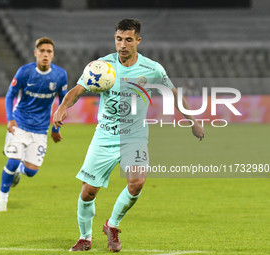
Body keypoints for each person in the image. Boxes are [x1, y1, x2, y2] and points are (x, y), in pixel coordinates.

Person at [53, 19, 204, 252]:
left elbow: (174, 94)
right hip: (105, 135)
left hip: (134, 136)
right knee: (88, 191)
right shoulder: (101, 66)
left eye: (128, 40)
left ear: (138, 41)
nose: (122, 44)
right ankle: (85, 237)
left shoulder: (152, 69)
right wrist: (63, 106)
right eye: (118, 39)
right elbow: (77, 90)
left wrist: (192, 121)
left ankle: (112, 225)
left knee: (137, 183)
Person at [0, 37, 68, 212]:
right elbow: (9, 95)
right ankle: (2, 201)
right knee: (12, 160)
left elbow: (62, 102)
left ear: (53, 55)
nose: (45, 54)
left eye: (49, 51)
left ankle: (21, 170)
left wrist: (55, 128)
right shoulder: (24, 72)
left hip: (40, 130)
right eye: (42, 51)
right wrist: (10, 118)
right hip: (19, 124)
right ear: (35, 53)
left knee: (31, 171)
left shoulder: (60, 75)